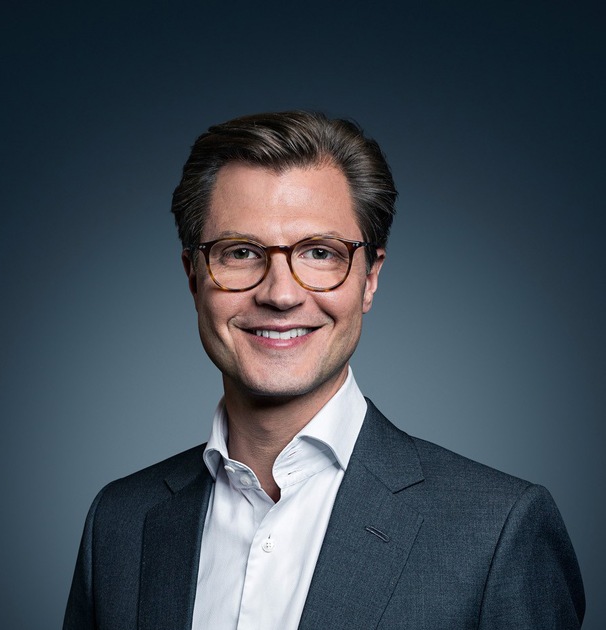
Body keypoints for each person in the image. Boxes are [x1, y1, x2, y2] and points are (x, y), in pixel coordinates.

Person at [63, 111, 585, 629]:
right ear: (193, 277)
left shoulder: (498, 531)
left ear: (370, 278)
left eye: (319, 252)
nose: (280, 294)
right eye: (240, 252)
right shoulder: (119, 521)